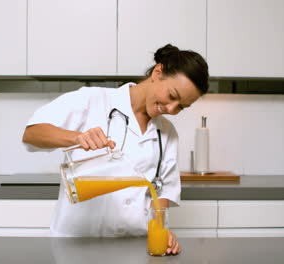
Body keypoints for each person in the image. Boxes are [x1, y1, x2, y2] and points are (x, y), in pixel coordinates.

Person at [22, 44, 209, 255]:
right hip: (77, 246)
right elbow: (32, 134)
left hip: (134, 248)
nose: (172, 109)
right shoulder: (92, 100)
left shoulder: (167, 132)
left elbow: (161, 193)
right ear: (158, 73)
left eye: (181, 106)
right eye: (173, 96)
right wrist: (76, 137)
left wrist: (161, 230)